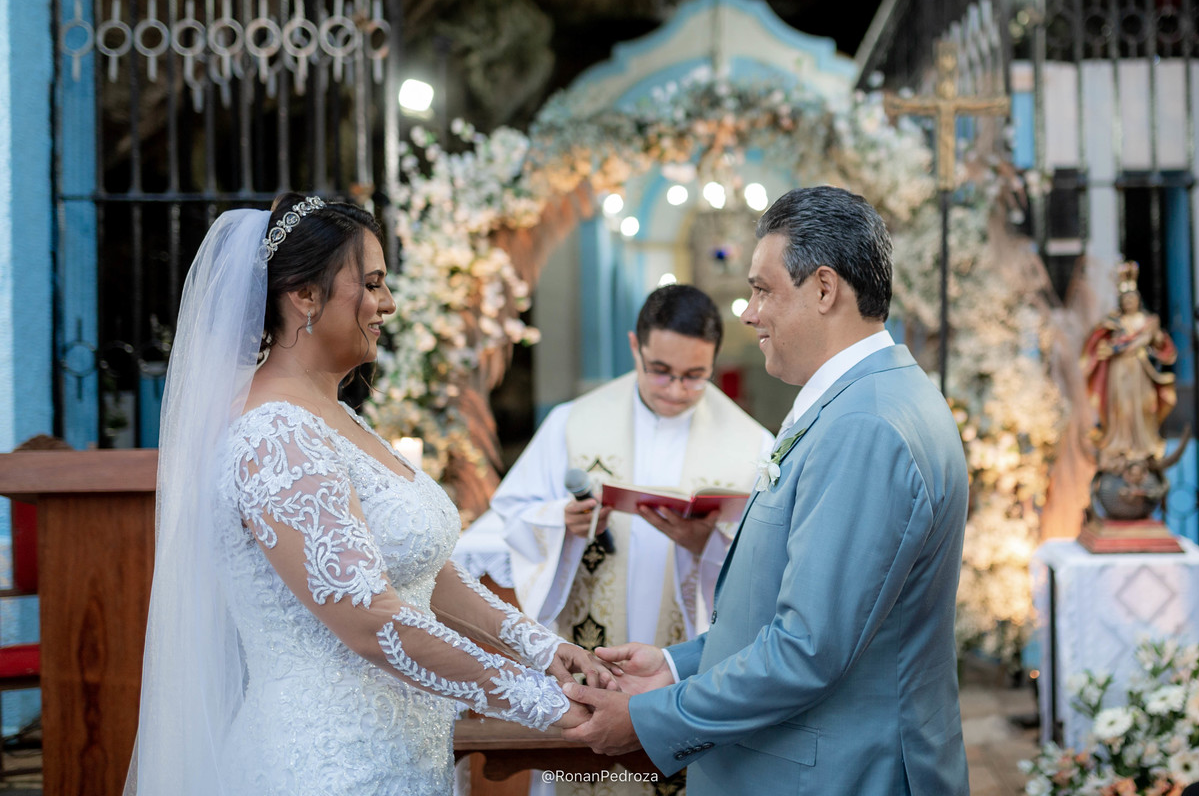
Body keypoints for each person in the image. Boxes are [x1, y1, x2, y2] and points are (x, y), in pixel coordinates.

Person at [126, 193, 609, 796]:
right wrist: (545, 703)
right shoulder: (274, 435)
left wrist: (542, 649)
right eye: (373, 284)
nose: (389, 303)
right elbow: (369, 620)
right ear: (305, 295)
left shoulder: (338, 417)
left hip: (403, 756)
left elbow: (428, 576)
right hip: (325, 764)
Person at [561, 186, 971, 796]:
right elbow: (783, 607)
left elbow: (808, 649)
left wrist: (650, 718)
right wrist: (675, 665)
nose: (749, 313)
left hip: (834, 773)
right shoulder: (866, 398)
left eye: (762, 290)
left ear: (824, 289)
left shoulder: (864, 426)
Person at [464, 284, 771, 795]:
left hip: (679, 668)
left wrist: (708, 547)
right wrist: (561, 522)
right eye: (660, 371)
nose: (676, 389)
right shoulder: (572, 424)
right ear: (635, 346)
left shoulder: (752, 444)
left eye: (695, 376)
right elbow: (506, 520)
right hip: (593, 654)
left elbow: (768, 566)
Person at [1081, 260, 1177, 473]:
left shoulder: (1146, 322)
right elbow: (1099, 346)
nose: (1129, 302)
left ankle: (1144, 445)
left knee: (1143, 405)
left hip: (1139, 370)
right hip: (1119, 370)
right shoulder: (1114, 323)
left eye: (1132, 298)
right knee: (1120, 407)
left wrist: (1155, 337)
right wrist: (1108, 348)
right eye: (1125, 299)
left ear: (1138, 300)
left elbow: (1162, 346)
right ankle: (1120, 443)